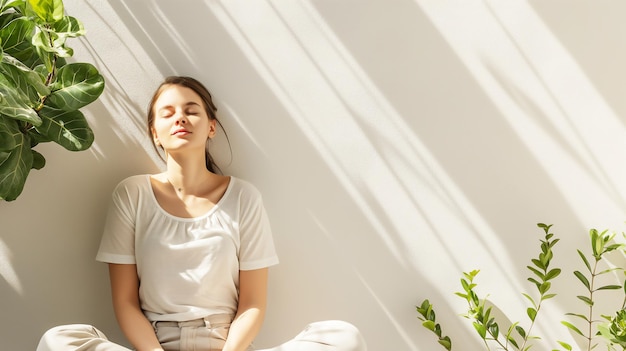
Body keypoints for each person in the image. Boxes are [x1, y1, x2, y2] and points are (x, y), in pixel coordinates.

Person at [36, 76, 367, 351]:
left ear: (211, 127)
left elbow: (253, 302)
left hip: (228, 347)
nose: (179, 117)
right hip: (156, 347)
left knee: (342, 338)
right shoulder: (132, 193)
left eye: (191, 111)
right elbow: (125, 302)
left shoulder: (243, 197)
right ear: (155, 132)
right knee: (60, 341)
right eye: (167, 113)